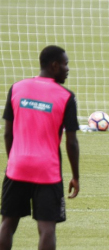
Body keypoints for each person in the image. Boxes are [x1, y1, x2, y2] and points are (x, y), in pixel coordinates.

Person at [0, 45, 80, 250]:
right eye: (65, 64)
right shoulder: (66, 96)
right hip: (47, 171)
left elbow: (8, 133)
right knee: (47, 229)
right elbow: (71, 142)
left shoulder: (17, 88)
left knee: (7, 224)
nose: (67, 69)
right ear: (54, 66)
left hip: (17, 166)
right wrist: (76, 176)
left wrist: (14, 159)